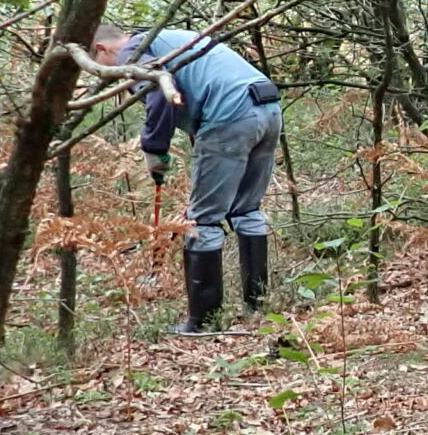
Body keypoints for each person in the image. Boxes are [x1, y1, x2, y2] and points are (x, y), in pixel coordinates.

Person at [92, 23, 284, 335]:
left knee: (202, 222)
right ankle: (258, 305)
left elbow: (161, 98)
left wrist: (154, 149)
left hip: (230, 116)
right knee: (246, 209)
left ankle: (203, 322)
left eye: (103, 69)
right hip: (268, 109)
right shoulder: (168, 38)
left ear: (101, 50)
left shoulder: (134, 52)